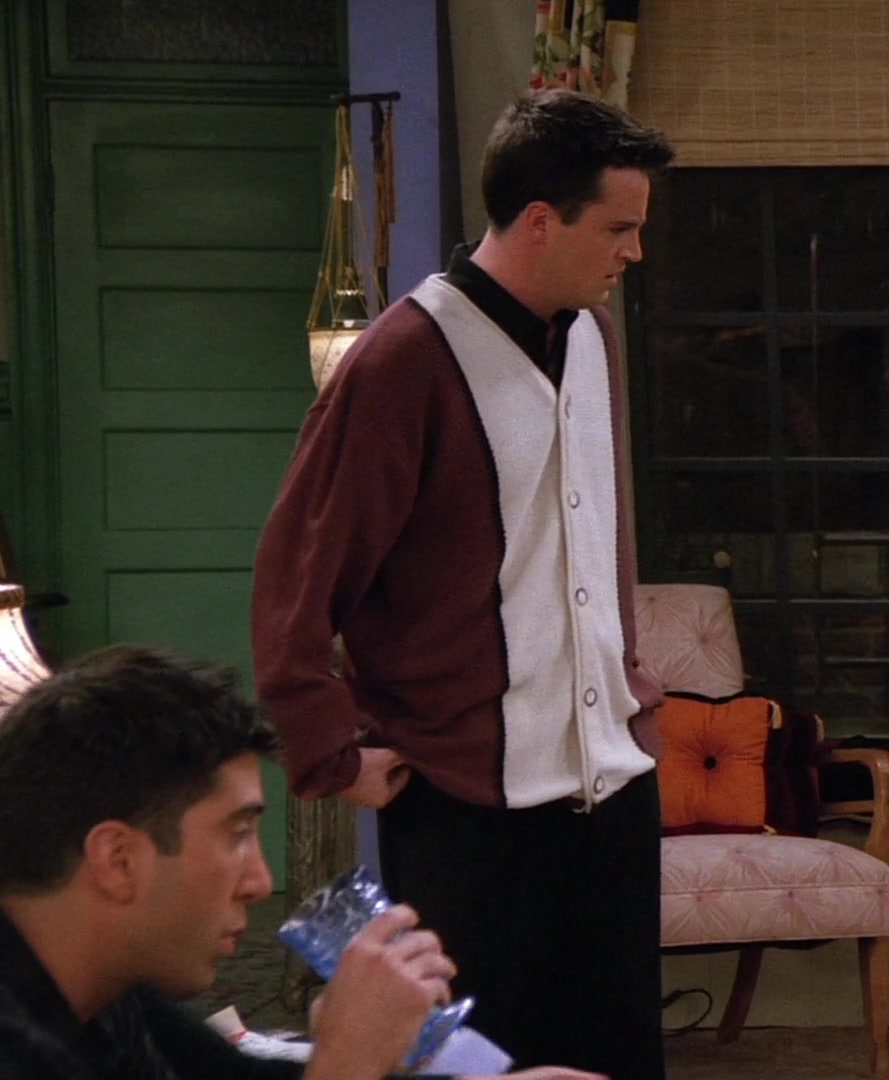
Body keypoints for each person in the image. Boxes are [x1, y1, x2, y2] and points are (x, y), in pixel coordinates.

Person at [251, 89, 675, 1080]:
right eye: (619, 228)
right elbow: (297, 575)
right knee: (482, 1071)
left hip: (613, 792)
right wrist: (328, 752)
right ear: (542, 220)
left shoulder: (595, 339)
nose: (635, 252)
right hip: (467, 810)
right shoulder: (402, 360)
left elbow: (589, 550)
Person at [0, 645, 602, 1080]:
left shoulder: (108, 991)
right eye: (237, 834)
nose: (261, 883)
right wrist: (347, 1062)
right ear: (118, 860)